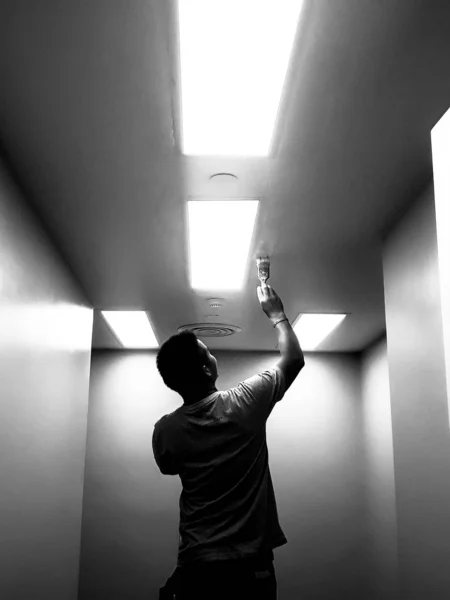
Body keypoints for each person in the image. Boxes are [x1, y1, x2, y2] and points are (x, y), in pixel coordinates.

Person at [154, 283, 305, 599]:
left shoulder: (165, 432)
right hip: (250, 567)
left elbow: (168, 468)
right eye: (209, 352)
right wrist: (277, 315)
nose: (212, 354)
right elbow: (293, 360)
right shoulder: (245, 402)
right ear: (208, 369)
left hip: (196, 566)